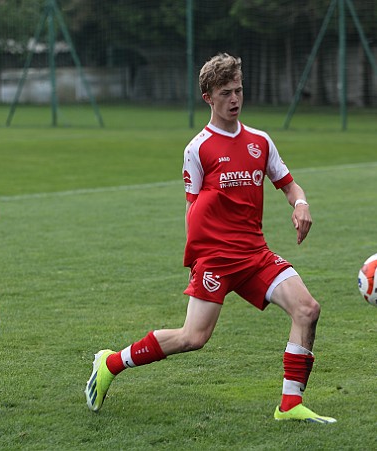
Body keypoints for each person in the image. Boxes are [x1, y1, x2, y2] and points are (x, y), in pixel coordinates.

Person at [84, 53, 336, 424]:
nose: (235, 99)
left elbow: (288, 184)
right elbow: (193, 212)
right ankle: (110, 363)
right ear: (208, 98)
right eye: (226, 93)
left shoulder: (261, 142)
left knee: (307, 309)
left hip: (255, 254)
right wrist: (202, 254)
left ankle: (290, 405)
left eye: (239, 90)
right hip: (216, 258)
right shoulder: (197, 149)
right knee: (193, 338)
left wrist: (301, 203)